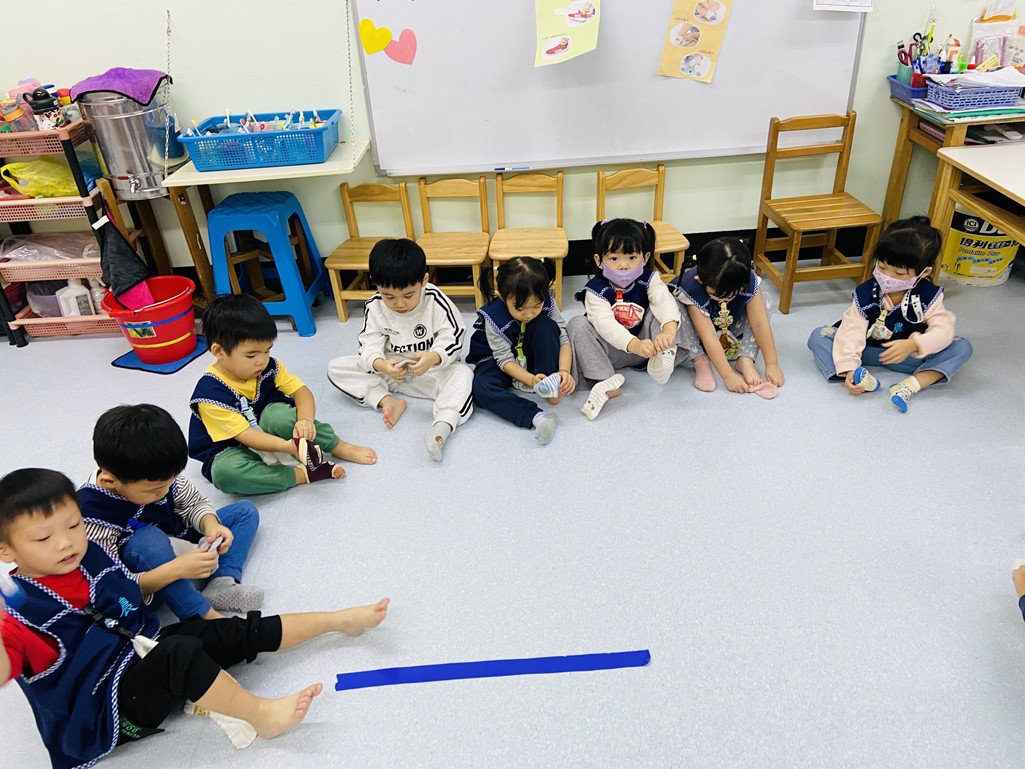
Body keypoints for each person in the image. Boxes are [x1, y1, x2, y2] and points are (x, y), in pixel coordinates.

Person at [0, 468, 389, 769]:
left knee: (221, 631)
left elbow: (129, 592)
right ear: (5, 550)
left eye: (73, 525)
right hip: (106, 709)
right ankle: (262, 716)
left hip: (140, 650)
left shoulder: (90, 555)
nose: (66, 542)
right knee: (180, 654)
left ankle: (337, 620)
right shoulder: (17, 615)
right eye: (43, 538)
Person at [79, 404, 262, 620]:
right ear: (110, 481)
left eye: (170, 482)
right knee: (148, 539)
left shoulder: (159, 473)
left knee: (244, 512)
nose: (165, 492)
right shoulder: (92, 516)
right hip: (152, 582)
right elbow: (117, 586)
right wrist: (176, 570)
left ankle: (221, 582)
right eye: (154, 490)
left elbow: (193, 503)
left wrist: (211, 525)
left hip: (183, 548)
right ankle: (203, 615)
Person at [189, 294, 376, 494]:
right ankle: (299, 475)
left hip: (270, 429)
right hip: (234, 448)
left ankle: (338, 446)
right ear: (218, 351)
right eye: (251, 355)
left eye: (267, 350)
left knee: (279, 416)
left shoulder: (268, 368)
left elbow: (301, 391)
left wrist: (305, 421)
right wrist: (287, 447)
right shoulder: (210, 395)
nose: (261, 361)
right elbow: (245, 435)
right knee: (225, 473)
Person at [807, 216, 973, 413]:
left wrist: (914, 344)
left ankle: (910, 385)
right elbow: (851, 331)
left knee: (961, 346)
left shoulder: (928, 295)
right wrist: (850, 367)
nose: (887, 277)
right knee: (820, 336)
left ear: (924, 272)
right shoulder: (866, 293)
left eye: (899, 274)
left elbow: (943, 329)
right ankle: (861, 378)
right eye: (882, 267)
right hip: (867, 350)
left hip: (908, 356)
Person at [327, 239, 474, 461]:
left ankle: (441, 427)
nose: (399, 304)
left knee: (463, 374)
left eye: (408, 295)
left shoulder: (435, 300)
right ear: (376, 285)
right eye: (389, 296)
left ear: (424, 281)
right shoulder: (374, 306)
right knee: (336, 367)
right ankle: (387, 401)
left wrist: (433, 357)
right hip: (392, 373)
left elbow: (453, 335)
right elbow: (369, 344)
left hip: (429, 372)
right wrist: (382, 366)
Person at [566, 219, 682, 420]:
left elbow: (663, 300)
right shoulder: (595, 290)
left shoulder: (649, 279)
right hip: (610, 352)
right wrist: (633, 344)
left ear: (645, 258)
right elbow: (605, 324)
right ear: (599, 260)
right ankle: (604, 380)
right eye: (614, 258)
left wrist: (668, 330)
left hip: (649, 348)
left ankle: (664, 355)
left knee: (670, 306)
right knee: (577, 324)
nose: (623, 265)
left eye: (632, 257)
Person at [466, 257, 576, 445]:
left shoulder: (547, 300)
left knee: (546, 327)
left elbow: (562, 338)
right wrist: (531, 380)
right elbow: (503, 359)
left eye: (536, 306)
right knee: (481, 388)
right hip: (498, 361)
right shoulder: (493, 316)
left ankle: (550, 387)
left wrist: (563, 372)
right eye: (520, 308)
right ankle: (537, 416)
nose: (529, 314)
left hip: (527, 351)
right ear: (501, 296)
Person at [671, 237, 784, 397]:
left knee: (764, 299)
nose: (727, 299)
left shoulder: (746, 279)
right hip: (698, 334)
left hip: (727, 326)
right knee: (673, 307)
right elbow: (708, 336)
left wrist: (772, 364)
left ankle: (746, 359)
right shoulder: (693, 286)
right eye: (718, 295)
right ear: (700, 280)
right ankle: (700, 360)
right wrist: (728, 376)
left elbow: (760, 323)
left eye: (733, 294)